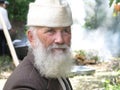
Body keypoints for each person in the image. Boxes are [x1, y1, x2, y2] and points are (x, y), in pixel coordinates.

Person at [3, 0, 74, 90]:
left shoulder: (52, 68)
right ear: (31, 37)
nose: (60, 40)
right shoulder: (24, 85)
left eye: (65, 31)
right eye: (50, 31)